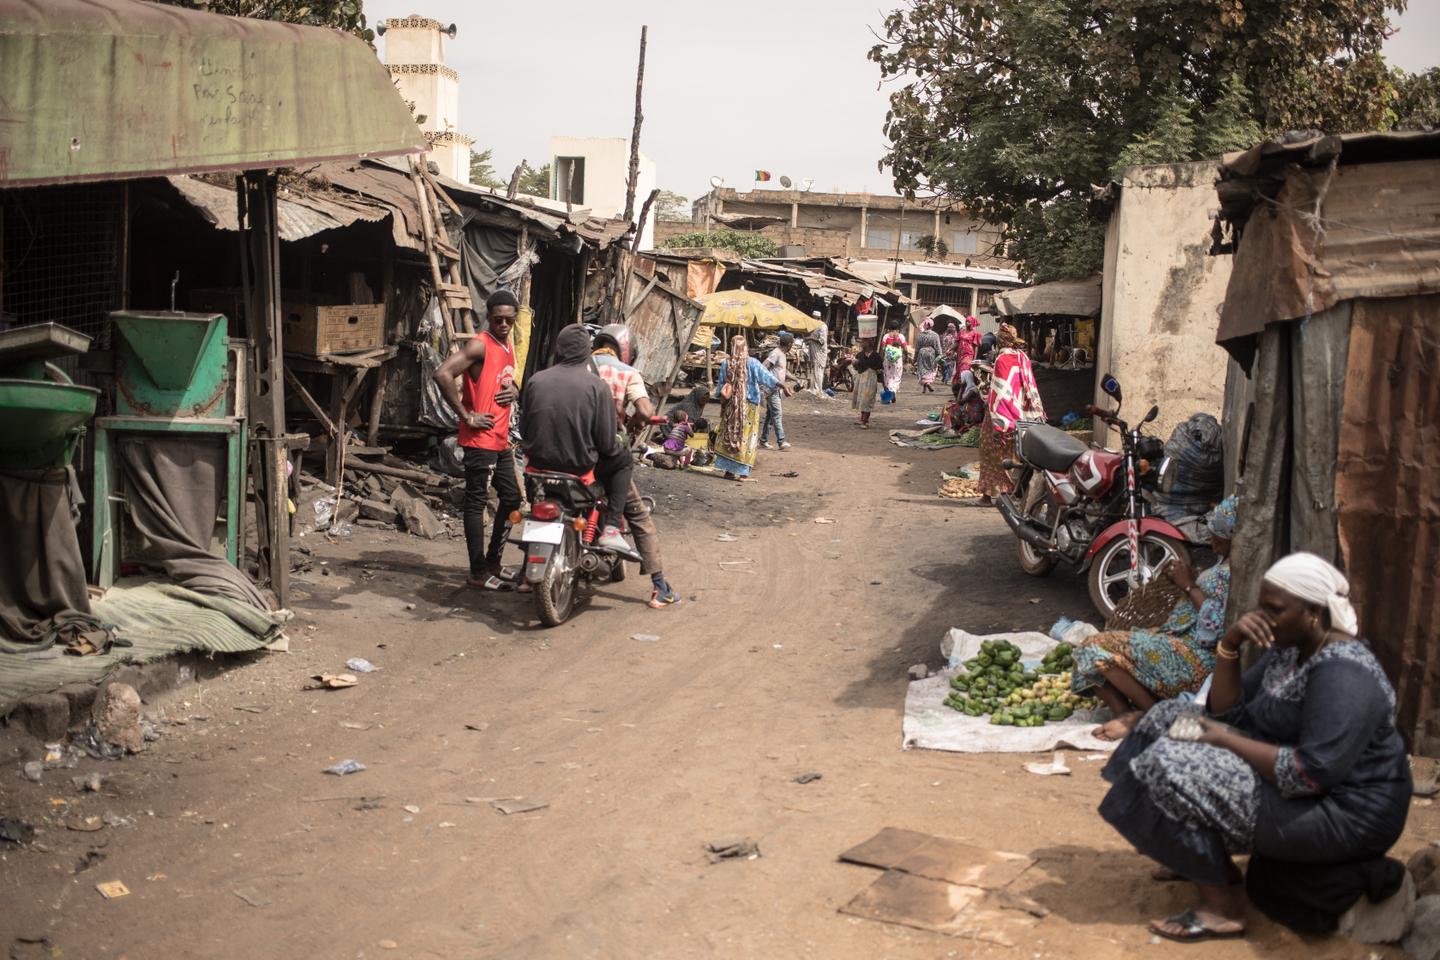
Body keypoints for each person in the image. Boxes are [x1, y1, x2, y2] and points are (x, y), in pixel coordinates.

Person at [1098, 552, 1411, 943]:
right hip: (1294, 783)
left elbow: (1309, 773)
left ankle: (1221, 909)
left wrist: (1224, 740)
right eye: (1262, 606)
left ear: (1313, 611)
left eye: (1274, 608)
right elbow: (1228, 712)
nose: (1263, 617)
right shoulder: (1291, 649)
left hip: (1344, 813)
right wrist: (1230, 644)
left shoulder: (1344, 674)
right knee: (1167, 719)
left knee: (1171, 764)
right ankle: (1194, 853)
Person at [1074, 496, 1237, 741]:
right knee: (1084, 653)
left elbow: (1217, 627)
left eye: (1218, 533)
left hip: (1198, 658)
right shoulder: (1223, 562)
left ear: (1232, 536)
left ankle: (1150, 718)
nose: (1211, 537)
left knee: (1094, 648)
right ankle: (1126, 713)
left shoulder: (1235, 575)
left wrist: (1189, 585)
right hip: (1178, 641)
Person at [518, 324, 637, 559]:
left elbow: (524, 429)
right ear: (587, 352)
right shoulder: (597, 387)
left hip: (537, 467)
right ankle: (612, 527)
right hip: (577, 468)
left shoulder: (535, 380)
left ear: (559, 349)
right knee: (624, 460)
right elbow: (605, 443)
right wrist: (616, 443)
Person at [433, 289, 523, 589]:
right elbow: (443, 373)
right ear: (488, 318)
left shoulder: (507, 345)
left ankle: (493, 562)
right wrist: (465, 415)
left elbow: (503, 381)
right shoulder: (479, 345)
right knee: (476, 501)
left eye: (509, 320)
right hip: (480, 439)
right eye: (498, 320)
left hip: (500, 440)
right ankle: (477, 571)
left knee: (512, 498)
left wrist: (516, 392)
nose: (504, 325)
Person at [590, 324, 680, 607]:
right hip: (606, 453)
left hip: (568, 452)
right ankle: (659, 586)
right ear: (625, 349)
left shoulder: (577, 365)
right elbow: (644, 410)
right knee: (639, 516)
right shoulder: (626, 373)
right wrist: (631, 426)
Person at [977, 323, 1045, 502]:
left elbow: (1000, 391)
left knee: (990, 453)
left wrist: (998, 420)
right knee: (1014, 455)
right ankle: (1013, 492)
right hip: (1019, 415)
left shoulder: (1002, 359)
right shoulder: (1022, 357)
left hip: (1000, 416)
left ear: (1000, 341)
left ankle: (987, 496)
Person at [713, 335, 787, 480]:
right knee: (746, 437)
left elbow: (721, 386)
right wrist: (782, 385)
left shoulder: (726, 364)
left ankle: (729, 471)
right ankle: (743, 473)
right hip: (750, 407)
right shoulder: (752, 363)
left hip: (731, 407)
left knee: (730, 434)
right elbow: (767, 377)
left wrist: (722, 403)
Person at [760, 332, 794, 451]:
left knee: (770, 416)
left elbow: (783, 371)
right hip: (772, 389)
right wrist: (770, 381)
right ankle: (781, 441)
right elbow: (764, 367)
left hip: (777, 389)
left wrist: (795, 379)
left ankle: (763, 440)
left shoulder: (782, 354)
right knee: (777, 414)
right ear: (789, 344)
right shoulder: (776, 353)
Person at [851, 336, 882, 427]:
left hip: (871, 380)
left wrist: (884, 384)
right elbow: (856, 368)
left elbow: (880, 369)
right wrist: (854, 364)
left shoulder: (876, 356)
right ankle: (863, 419)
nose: (861, 344)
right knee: (861, 399)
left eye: (864, 342)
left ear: (869, 344)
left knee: (867, 400)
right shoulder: (860, 355)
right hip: (861, 379)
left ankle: (864, 421)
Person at [953, 315, 983, 400]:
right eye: (966, 321)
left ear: (973, 323)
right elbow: (956, 343)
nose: (967, 323)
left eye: (969, 321)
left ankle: (965, 391)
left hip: (968, 355)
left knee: (965, 370)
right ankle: (960, 391)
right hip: (960, 355)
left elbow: (976, 347)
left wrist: (974, 359)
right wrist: (950, 349)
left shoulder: (975, 334)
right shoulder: (961, 332)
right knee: (959, 372)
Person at [880, 319, 907, 399]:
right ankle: (893, 391)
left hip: (888, 360)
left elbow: (883, 348)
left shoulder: (886, 336)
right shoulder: (901, 336)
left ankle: (888, 396)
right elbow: (905, 348)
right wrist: (906, 356)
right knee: (897, 376)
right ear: (898, 328)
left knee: (888, 377)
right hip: (897, 360)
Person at [914, 319, 942, 393]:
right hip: (931, 354)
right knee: (930, 369)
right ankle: (927, 384)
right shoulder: (935, 335)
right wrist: (939, 355)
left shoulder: (920, 335)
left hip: (921, 353)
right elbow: (937, 347)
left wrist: (914, 358)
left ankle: (925, 385)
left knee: (922, 370)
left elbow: (917, 348)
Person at [804, 311, 828, 394]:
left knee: (818, 369)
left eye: (814, 317)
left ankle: (818, 389)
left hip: (819, 351)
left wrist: (810, 339)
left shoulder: (822, 326)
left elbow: (822, 341)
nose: (812, 318)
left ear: (818, 318)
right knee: (814, 369)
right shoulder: (813, 326)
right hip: (813, 350)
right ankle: (813, 388)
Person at [939, 320, 958, 385]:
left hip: (950, 354)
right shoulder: (944, 335)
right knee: (945, 366)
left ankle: (946, 378)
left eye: (952, 327)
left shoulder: (956, 336)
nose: (950, 329)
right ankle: (945, 377)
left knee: (948, 366)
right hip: (946, 353)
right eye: (949, 327)